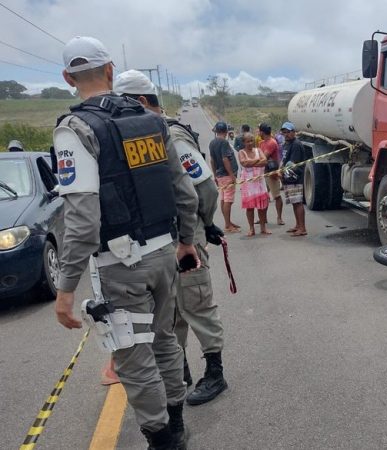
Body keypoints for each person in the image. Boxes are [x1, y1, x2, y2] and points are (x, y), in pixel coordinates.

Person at [53, 36, 199, 449]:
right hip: (165, 254)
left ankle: (163, 440)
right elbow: (184, 192)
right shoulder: (152, 121)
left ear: (68, 78)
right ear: (111, 71)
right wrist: (186, 242)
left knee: (133, 358)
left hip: (121, 264)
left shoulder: (75, 130)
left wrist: (65, 291)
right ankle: (175, 421)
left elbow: (82, 222)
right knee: (166, 339)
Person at [114, 70, 229, 407]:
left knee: (196, 306)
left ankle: (215, 374)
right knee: (171, 315)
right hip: (162, 240)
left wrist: (202, 225)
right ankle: (179, 373)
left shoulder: (172, 137)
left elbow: (205, 187)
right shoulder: (146, 134)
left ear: (140, 102)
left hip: (184, 239)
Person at [209, 121, 241, 232]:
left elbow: (212, 161)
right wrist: (232, 175)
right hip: (227, 175)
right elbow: (225, 159)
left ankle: (228, 221)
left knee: (223, 199)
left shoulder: (212, 143)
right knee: (228, 200)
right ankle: (228, 225)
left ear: (216, 131)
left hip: (219, 175)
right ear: (226, 132)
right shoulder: (224, 143)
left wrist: (215, 175)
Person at [238, 132, 270, 236]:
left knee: (262, 207)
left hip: (260, 183)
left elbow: (265, 161)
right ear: (243, 142)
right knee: (250, 207)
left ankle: (263, 227)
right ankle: (251, 228)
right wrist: (257, 160)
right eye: (247, 141)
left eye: (251, 141)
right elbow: (244, 164)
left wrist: (251, 161)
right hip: (249, 185)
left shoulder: (258, 150)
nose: (250, 143)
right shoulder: (241, 152)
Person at [280, 122, 307, 236]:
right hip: (288, 178)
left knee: (297, 202)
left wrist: (282, 173)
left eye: (288, 132)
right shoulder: (287, 144)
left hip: (294, 178)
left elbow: (293, 164)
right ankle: (297, 225)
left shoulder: (296, 144)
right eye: (284, 132)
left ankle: (302, 228)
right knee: (294, 203)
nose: (286, 134)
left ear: (293, 132)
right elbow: (285, 160)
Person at [258, 123, 284, 225]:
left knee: (276, 196)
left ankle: (279, 218)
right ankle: (263, 218)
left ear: (262, 132)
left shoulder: (271, 143)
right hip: (264, 172)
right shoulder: (262, 143)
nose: (258, 133)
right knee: (264, 196)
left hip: (271, 172)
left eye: (259, 131)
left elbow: (263, 157)